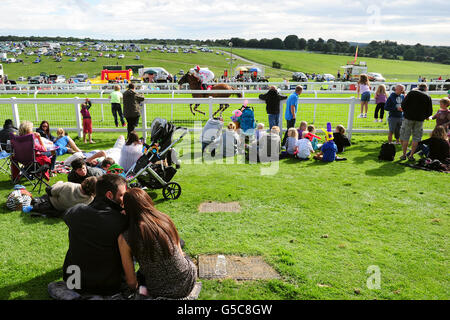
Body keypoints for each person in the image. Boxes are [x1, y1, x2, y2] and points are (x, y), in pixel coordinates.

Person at [118, 188, 196, 298]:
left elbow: (131, 282)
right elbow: (180, 252)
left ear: (126, 208)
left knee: (140, 278)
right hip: (188, 280)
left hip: (159, 291)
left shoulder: (125, 238)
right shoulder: (165, 219)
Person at [62, 174, 129, 296]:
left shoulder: (76, 212)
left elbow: (68, 214)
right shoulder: (121, 221)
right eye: (122, 195)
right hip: (108, 286)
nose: (124, 199)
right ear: (109, 195)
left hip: (75, 282)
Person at [23, 176, 97, 218]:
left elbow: (52, 192)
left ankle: (34, 207)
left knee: (44, 195)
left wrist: (59, 183)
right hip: (64, 212)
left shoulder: (69, 186)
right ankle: (45, 213)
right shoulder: (90, 199)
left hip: (52, 203)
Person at [399, 83, 433, 161]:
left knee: (405, 137)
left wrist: (407, 112)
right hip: (420, 120)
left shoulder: (412, 93)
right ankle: (411, 155)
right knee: (416, 138)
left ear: (418, 87)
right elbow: (430, 112)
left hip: (408, 118)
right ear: (426, 88)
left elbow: (403, 105)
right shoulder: (427, 96)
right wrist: (424, 116)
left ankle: (404, 155)